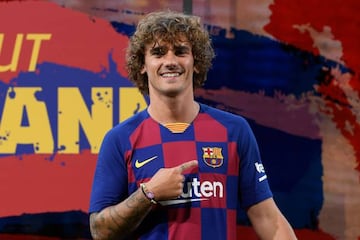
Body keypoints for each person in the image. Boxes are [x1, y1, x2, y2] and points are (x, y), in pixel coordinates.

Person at [89, 10, 297, 240]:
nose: (170, 61)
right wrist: (149, 193)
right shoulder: (121, 139)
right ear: (142, 65)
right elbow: (100, 231)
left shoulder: (234, 131)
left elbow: (269, 220)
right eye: (158, 53)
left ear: (195, 62)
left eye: (180, 52)